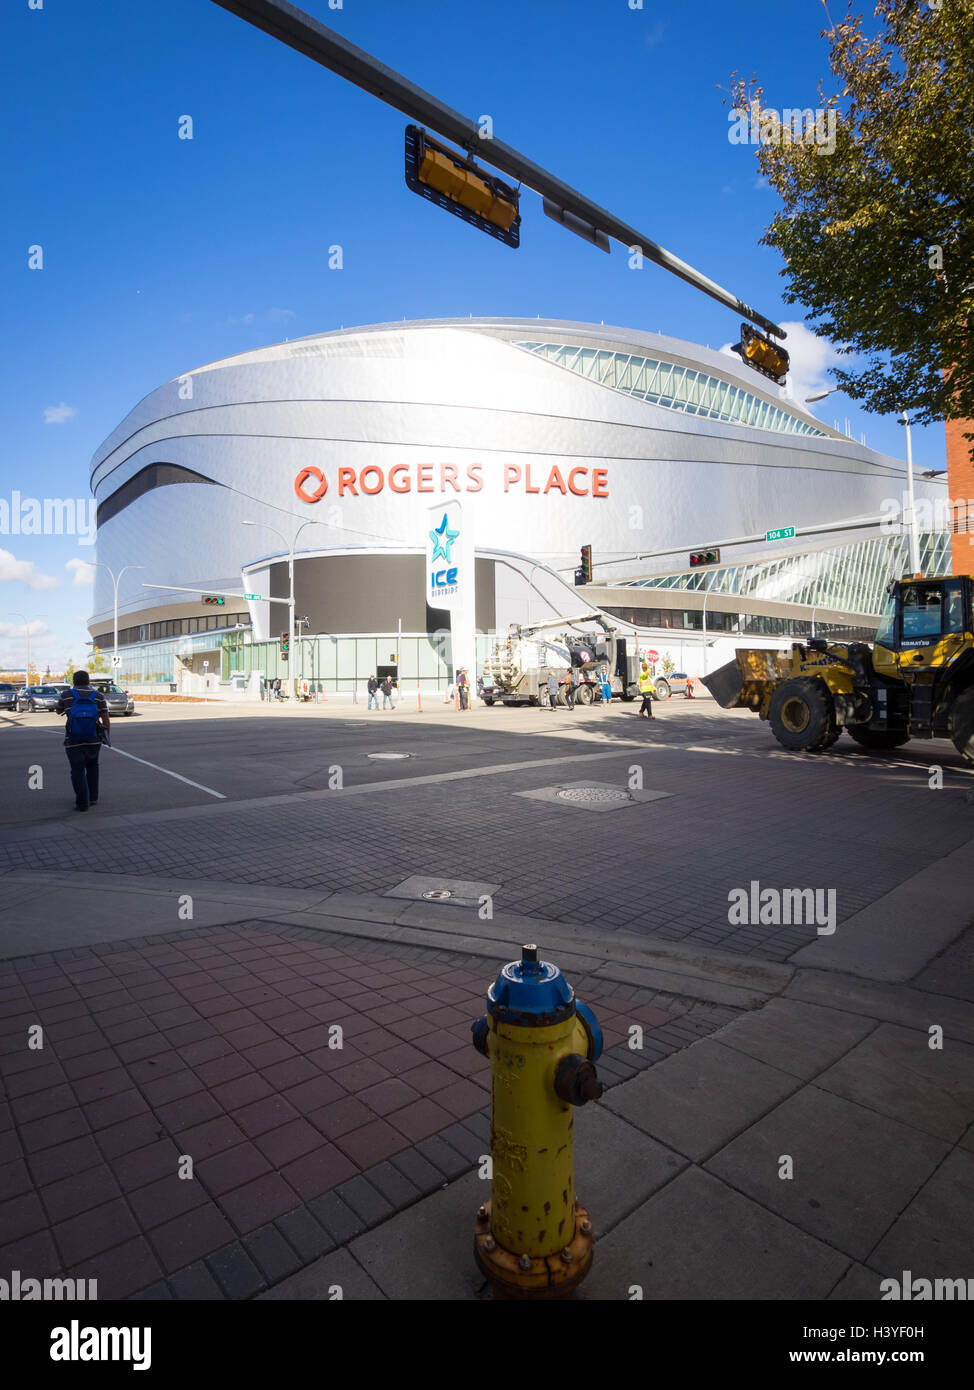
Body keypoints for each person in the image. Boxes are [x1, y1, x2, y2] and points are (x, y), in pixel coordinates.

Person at [56, 670, 110, 812]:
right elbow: (105, 718)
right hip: (93, 739)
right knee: (93, 767)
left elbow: (58, 710)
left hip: (73, 740)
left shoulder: (66, 695)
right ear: (88, 681)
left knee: (77, 770)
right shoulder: (98, 696)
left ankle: (82, 803)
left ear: (74, 681)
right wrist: (106, 736)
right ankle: (93, 797)